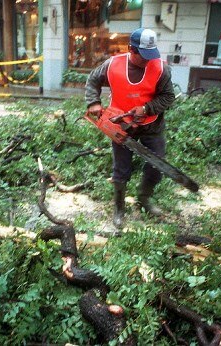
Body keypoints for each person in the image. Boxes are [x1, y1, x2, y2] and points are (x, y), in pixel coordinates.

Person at [85, 28, 175, 229]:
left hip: (152, 124)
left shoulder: (160, 68)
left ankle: (144, 199)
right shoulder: (112, 65)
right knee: (121, 170)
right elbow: (92, 80)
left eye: (149, 55)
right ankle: (119, 208)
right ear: (131, 49)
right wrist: (93, 102)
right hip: (121, 125)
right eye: (142, 56)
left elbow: (168, 97)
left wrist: (146, 108)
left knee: (156, 165)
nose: (146, 60)